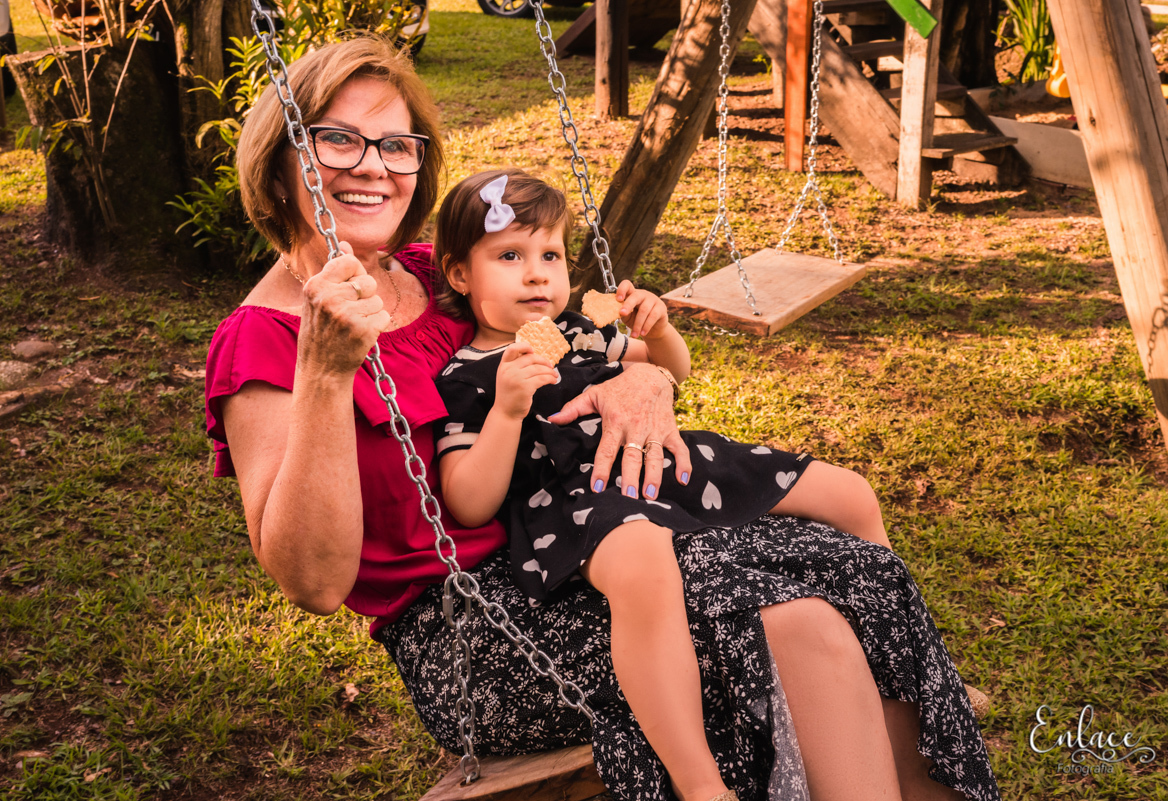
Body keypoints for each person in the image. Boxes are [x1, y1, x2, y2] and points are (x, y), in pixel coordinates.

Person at [203, 35, 1002, 801]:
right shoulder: (264, 340)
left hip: (567, 541)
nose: (373, 167)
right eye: (337, 141)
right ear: (281, 167)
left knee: (839, 561)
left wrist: (642, 382)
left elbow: (570, 344)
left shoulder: (430, 272)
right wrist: (324, 374)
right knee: (796, 626)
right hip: (475, 630)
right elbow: (311, 581)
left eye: (395, 144)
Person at [431, 168, 894, 801]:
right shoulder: (469, 378)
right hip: (578, 500)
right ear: (461, 275)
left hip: (664, 464)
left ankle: (895, 663)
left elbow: (675, 373)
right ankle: (701, 784)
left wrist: (660, 331)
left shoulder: (582, 332)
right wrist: (508, 411)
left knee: (850, 495)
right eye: (509, 256)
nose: (537, 273)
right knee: (645, 565)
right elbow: (467, 498)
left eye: (550, 254)